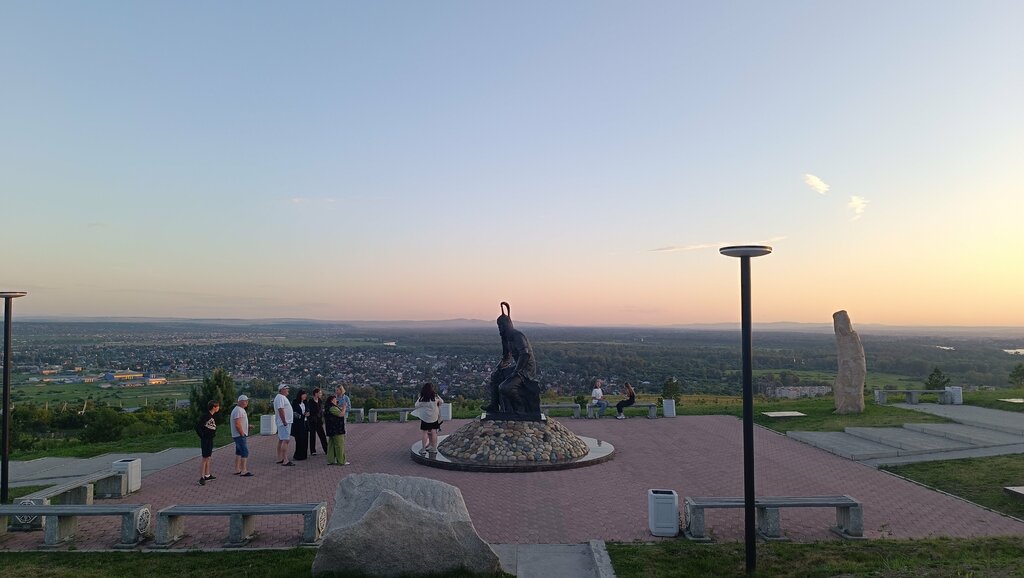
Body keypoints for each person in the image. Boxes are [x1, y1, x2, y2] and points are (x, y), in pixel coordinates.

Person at [482, 302, 540, 415]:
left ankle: (520, 407)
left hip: (526, 369)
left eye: (501, 326)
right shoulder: (506, 338)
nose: (500, 328)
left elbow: (525, 355)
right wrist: (499, 368)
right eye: (498, 326)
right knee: (495, 376)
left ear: (507, 325)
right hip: (518, 367)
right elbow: (506, 356)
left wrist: (515, 372)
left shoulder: (517, 336)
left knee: (505, 387)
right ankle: (494, 405)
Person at [415, 382, 443, 454]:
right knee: (434, 432)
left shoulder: (422, 397)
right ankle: (434, 448)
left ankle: (423, 449)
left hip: (425, 417)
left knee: (425, 432)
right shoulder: (435, 396)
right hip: (434, 417)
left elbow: (416, 405)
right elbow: (441, 402)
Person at [196, 400, 219, 485]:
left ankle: (207, 475)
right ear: (214, 407)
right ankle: (202, 477)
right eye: (217, 406)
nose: (219, 408)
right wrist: (203, 436)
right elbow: (198, 427)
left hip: (210, 439)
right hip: (206, 439)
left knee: (208, 457)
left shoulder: (212, 416)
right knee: (205, 458)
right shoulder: (206, 416)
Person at [230, 395, 253, 476]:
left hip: (238, 434)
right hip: (239, 435)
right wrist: (242, 434)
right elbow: (237, 424)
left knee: (239, 452)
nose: (247, 402)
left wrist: (247, 426)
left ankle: (237, 469)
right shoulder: (238, 410)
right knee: (244, 452)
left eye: (247, 401)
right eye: (245, 401)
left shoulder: (240, 410)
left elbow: (240, 422)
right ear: (240, 401)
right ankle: (244, 470)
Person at [274, 383, 295, 466]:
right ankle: (285, 459)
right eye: (286, 389)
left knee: (281, 439)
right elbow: (281, 409)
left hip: (284, 422)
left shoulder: (280, 397)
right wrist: (284, 421)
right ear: (282, 390)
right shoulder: (280, 397)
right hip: (284, 423)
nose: (288, 390)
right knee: (286, 440)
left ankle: (280, 458)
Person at [324, 394, 349, 465]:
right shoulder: (332, 408)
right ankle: (341, 461)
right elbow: (341, 414)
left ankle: (331, 460)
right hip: (337, 429)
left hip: (331, 429)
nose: (336, 401)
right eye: (335, 399)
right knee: (339, 445)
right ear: (332, 401)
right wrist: (344, 407)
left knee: (331, 445)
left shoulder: (328, 407)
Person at [308, 388, 328, 456]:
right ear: (316, 393)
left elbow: (321, 410)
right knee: (312, 436)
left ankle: (326, 449)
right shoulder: (310, 401)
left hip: (319, 421)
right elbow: (311, 411)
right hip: (312, 421)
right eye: (320, 393)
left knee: (322, 436)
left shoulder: (320, 401)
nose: (321, 394)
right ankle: (313, 451)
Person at [291, 389, 310, 461]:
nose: (305, 396)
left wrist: (308, 413)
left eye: (305, 394)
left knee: (305, 439)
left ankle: (304, 455)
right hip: (298, 424)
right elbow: (294, 413)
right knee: (299, 440)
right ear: (300, 395)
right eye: (303, 394)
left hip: (305, 423)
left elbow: (308, 409)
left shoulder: (305, 402)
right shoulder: (295, 402)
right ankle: (298, 455)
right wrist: (303, 415)